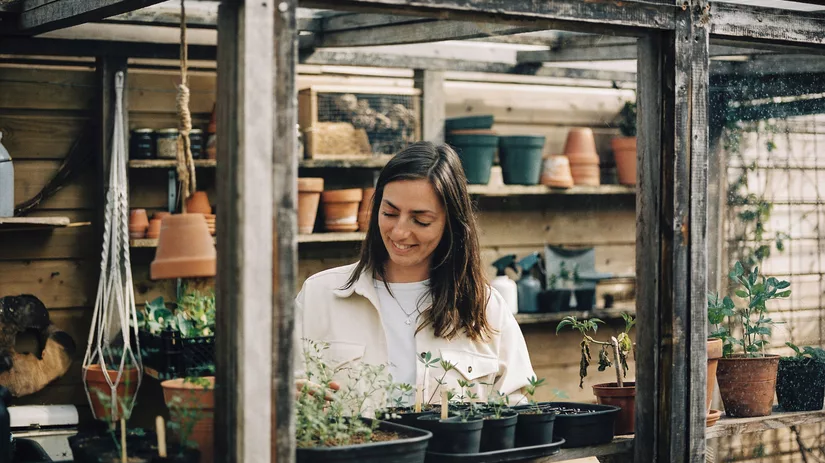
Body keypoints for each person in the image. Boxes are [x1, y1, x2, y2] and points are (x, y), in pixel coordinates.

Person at [295, 141, 535, 406]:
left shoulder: (486, 307)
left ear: (451, 224)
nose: (399, 232)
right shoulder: (320, 295)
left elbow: (519, 411)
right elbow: (277, 395)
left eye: (420, 221)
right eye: (389, 213)